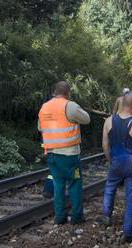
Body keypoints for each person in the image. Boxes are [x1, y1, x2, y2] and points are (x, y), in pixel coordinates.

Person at [38, 81, 90, 224]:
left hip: (52, 155)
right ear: (68, 93)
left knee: (58, 185)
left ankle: (59, 218)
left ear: (54, 92)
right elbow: (87, 119)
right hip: (69, 155)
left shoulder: (44, 107)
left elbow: (40, 127)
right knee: (75, 184)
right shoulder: (70, 105)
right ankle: (77, 217)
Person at [101, 93, 132, 244]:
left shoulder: (109, 121)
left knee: (110, 188)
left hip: (116, 161)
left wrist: (111, 160)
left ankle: (106, 216)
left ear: (122, 103)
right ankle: (128, 233)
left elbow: (105, 145)